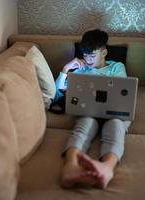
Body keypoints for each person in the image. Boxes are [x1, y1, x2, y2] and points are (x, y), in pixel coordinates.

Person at [54, 29, 131, 189]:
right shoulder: (81, 70)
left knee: (116, 126)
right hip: (88, 110)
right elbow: (56, 94)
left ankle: (107, 168)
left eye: (92, 55)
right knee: (83, 128)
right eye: (85, 55)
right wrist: (66, 69)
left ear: (104, 52)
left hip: (113, 111)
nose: (88, 59)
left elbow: (121, 91)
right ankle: (70, 166)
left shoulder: (116, 67)